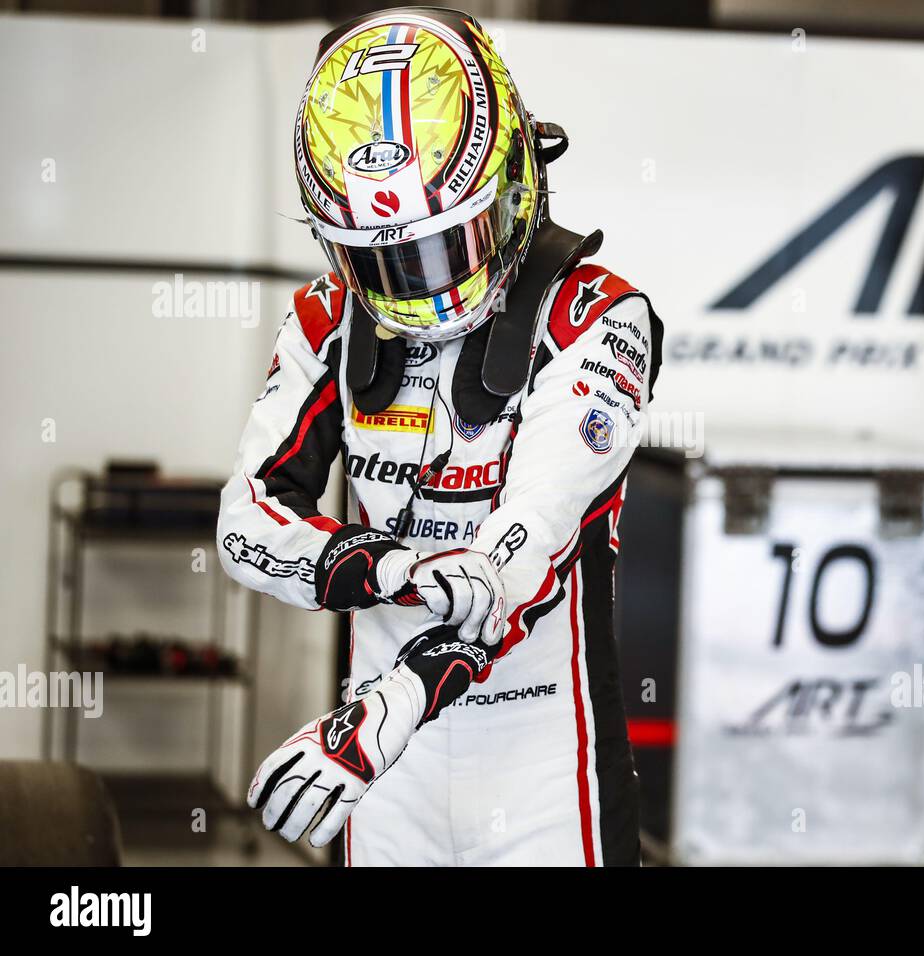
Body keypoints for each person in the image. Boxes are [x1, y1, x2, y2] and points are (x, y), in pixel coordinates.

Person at [217, 6, 660, 866]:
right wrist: (391, 569)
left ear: (515, 180)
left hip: (542, 769)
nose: (422, 285)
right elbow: (244, 523)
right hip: (385, 775)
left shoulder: (598, 317)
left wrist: (390, 708)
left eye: (448, 243)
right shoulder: (326, 317)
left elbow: (522, 553)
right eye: (387, 259)